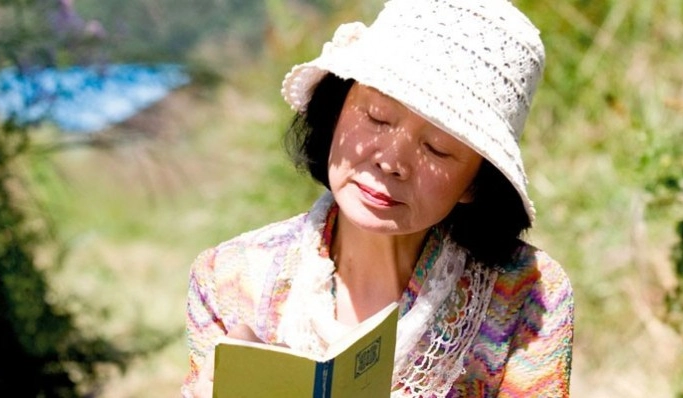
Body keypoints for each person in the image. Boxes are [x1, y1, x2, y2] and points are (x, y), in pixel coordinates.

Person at [182, 0, 574, 396]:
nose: (391, 162)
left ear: (475, 182)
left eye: (436, 148)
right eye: (377, 117)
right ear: (336, 109)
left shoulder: (525, 294)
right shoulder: (226, 280)